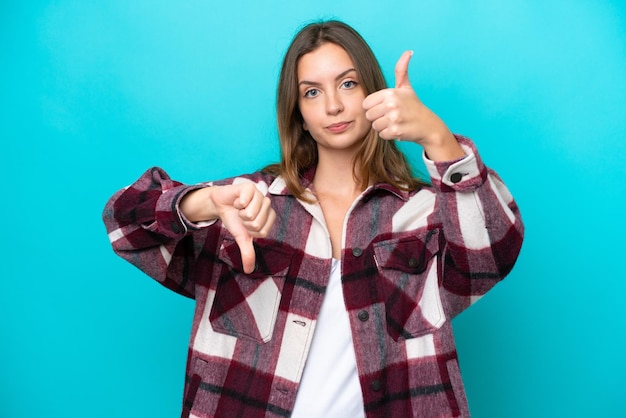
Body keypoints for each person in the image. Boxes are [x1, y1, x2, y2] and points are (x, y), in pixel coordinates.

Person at [103, 20, 523, 418]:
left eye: (347, 83)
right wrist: (205, 203)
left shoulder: (424, 214)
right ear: (297, 112)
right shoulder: (246, 203)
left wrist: (439, 138)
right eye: (312, 92)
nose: (334, 105)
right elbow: (123, 225)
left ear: (373, 93)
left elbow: (493, 255)